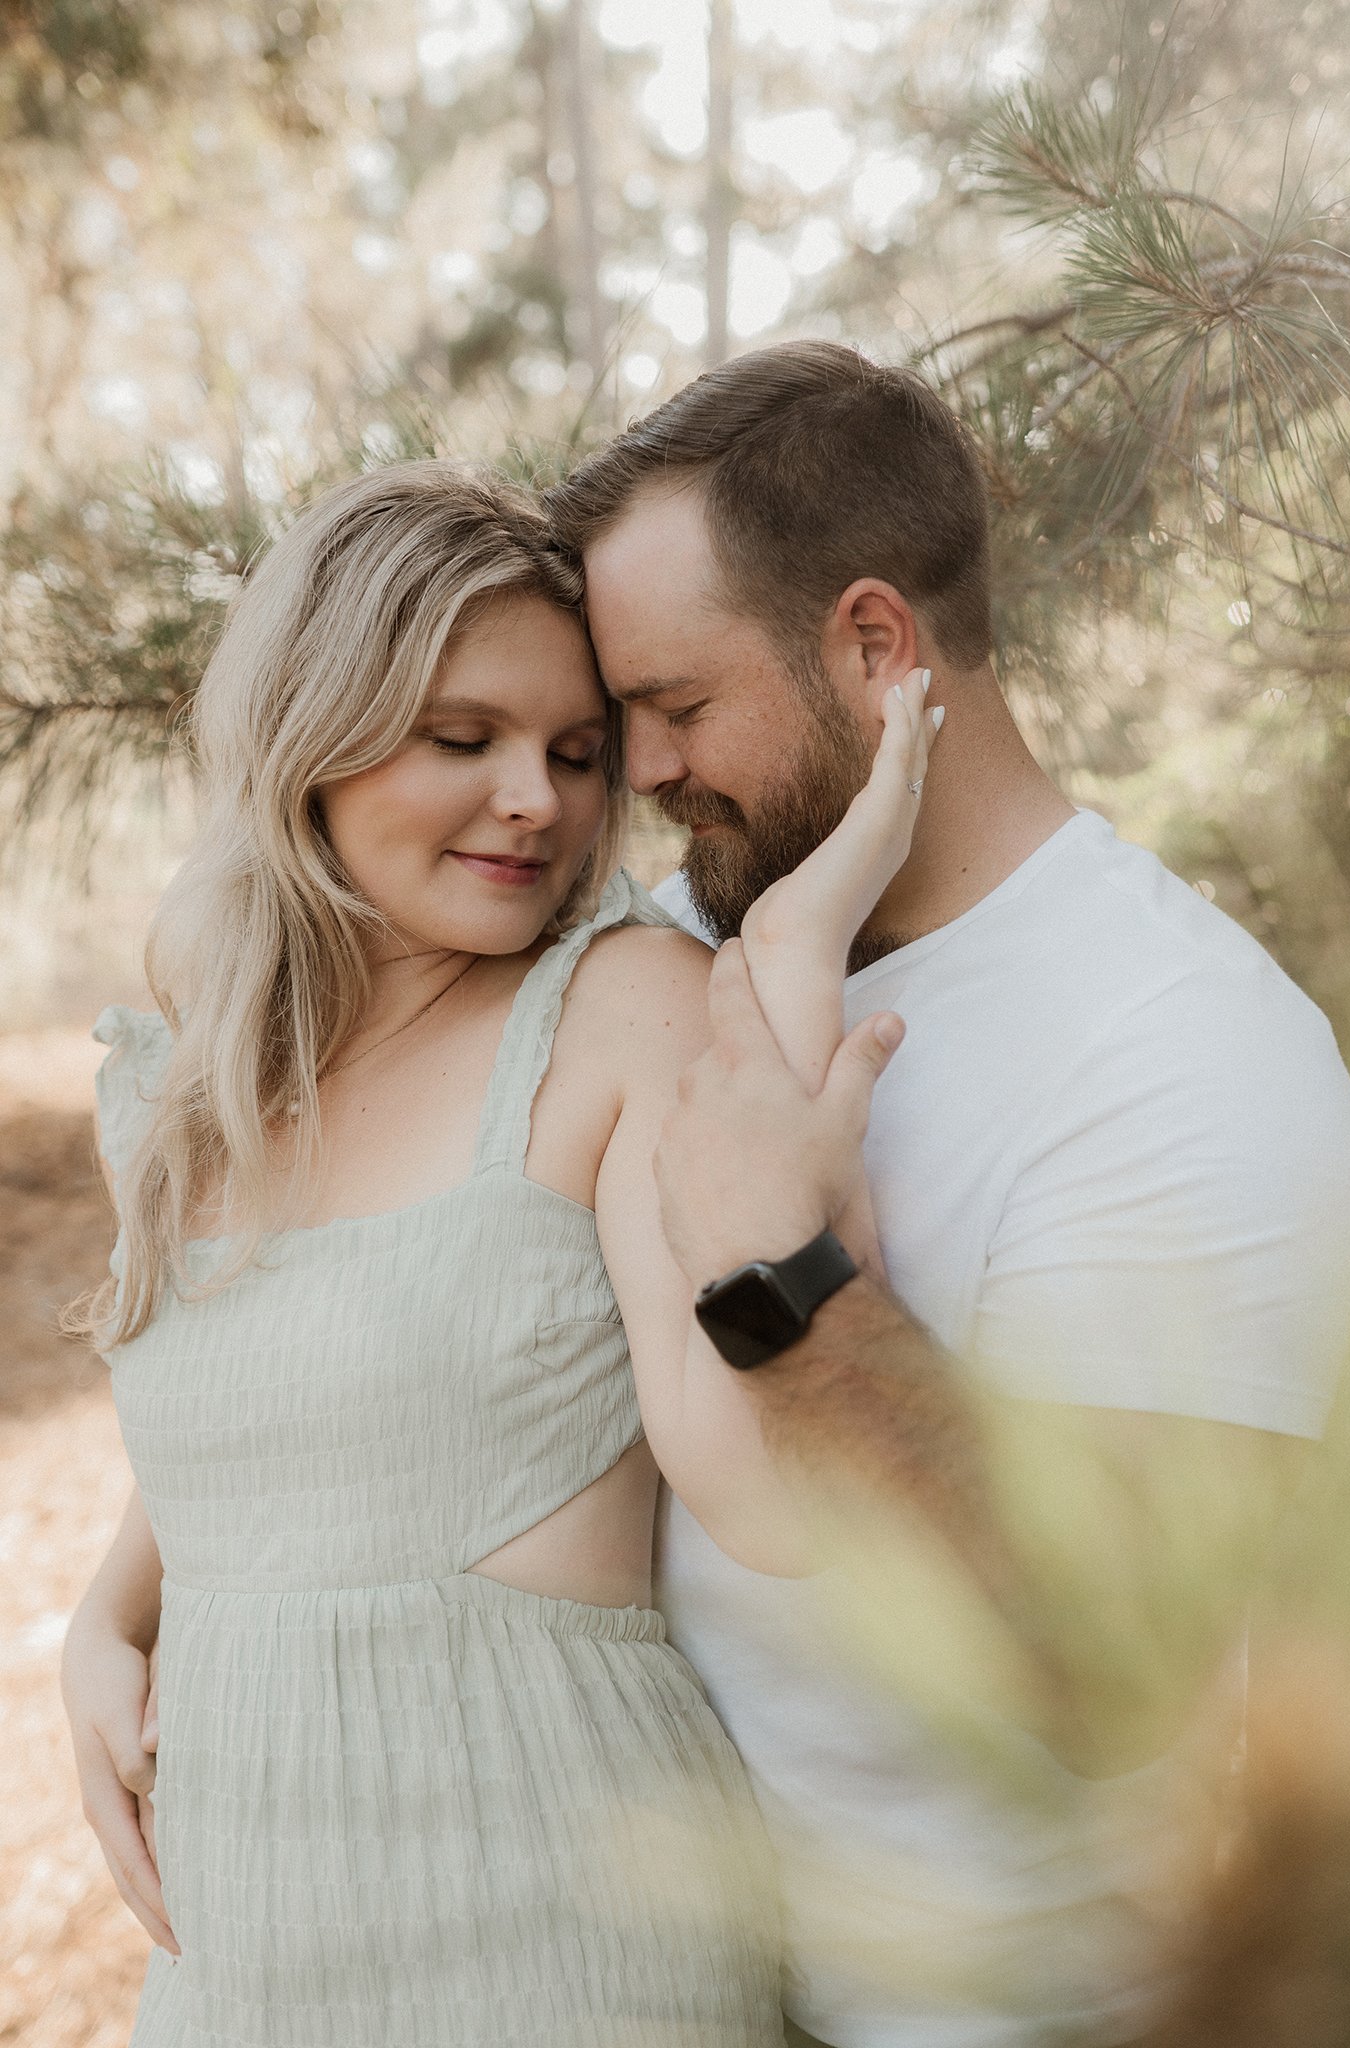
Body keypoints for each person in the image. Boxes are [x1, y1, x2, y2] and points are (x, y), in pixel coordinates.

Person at [60, 457, 941, 2046]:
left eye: (577, 753)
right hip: (232, 1954)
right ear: (310, 742)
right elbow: (283, 1390)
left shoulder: (615, 1012)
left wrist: (795, 980)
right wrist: (105, 1617)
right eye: (463, 740)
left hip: (553, 1923)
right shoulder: (200, 1056)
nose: (538, 798)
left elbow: (761, 1494)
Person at [545, 339, 1350, 2048]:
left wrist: (789, 1281)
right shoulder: (694, 946)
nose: (634, 771)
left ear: (870, 643)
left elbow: (1111, 1665)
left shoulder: (1187, 1055)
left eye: (680, 708)